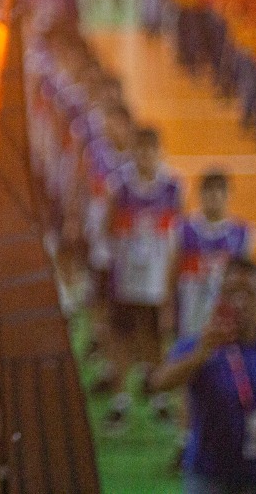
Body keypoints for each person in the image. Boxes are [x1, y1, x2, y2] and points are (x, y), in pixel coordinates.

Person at [151, 257, 256, 494]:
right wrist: (199, 357)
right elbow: (159, 383)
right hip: (209, 481)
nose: (239, 301)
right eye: (231, 292)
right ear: (219, 296)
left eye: (248, 292)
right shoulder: (200, 346)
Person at [102, 127, 183, 427]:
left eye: (151, 150)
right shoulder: (120, 185)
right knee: (122, 336)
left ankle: (159, 395)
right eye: (141, 149)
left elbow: (178, 234)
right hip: (125, 276)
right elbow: (109, 227)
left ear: (158, 152)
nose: (145, 156)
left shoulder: (172, 186)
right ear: (133, 151)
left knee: (154, 337)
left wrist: (170, 279)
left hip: (156, 279)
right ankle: (120, 400)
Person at [174, 170, 254, 343]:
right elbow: (173, 269)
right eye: (210, 190)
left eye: (220, 190)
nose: (215, 196)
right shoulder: (184, 228)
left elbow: (245, 278)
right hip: (190, 308)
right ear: (200, 194)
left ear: (229, 195)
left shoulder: (242, 233)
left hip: (225, 311)